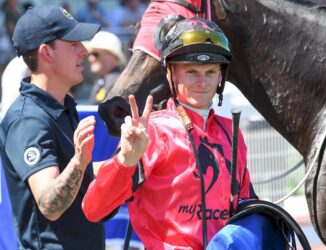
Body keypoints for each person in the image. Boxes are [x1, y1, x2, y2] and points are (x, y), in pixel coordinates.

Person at [82, 17, 258, 249]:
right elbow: (94, 210)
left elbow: (248, 208)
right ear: (172, 74)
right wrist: (124, 162)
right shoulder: (152, 131)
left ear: (220, 77)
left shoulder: (231, 132)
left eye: (210, 71)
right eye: (192, 71)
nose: (202, 82)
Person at [0, 5, 105, 250]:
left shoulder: (59, 107)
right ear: (47, 52)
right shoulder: (28, 120)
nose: (84, 51)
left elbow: (82, 174)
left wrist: (127, 159)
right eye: (73, 44)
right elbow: (49, 205)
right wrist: (79, 163)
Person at [84, 31, 126, 104]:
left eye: (95, 54)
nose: (91, 59)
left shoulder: (119, 83)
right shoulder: (102, 80)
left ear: (112, 56)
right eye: (90, 54)